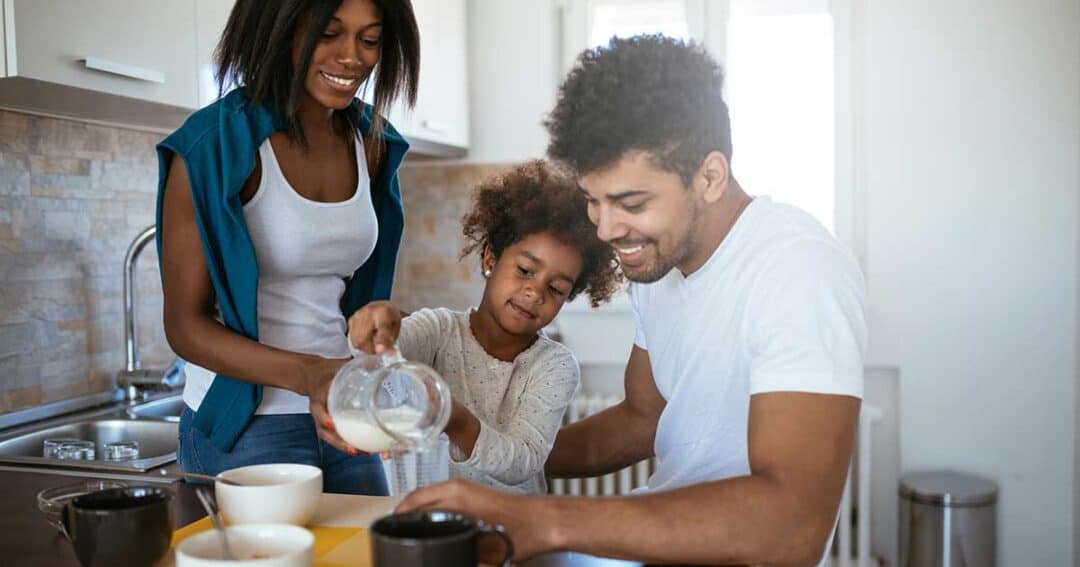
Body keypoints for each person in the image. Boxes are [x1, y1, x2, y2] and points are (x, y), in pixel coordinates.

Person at [396, 34, 867, 565]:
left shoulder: (796, 268)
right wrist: (491, 458)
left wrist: (545, 521)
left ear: (709, 177)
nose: (606, 229)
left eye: (630, 202)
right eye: (594, 202)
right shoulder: (658, 269)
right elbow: (642, 419)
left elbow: (793, 524)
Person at [155, 0, 420, 495]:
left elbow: (352, 297)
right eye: (329, 34)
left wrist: (369, 348)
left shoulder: (373, 143)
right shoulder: (212, 147)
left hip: (341, 412)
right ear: (278, 29)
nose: (352, 58)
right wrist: (311, 375)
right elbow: (184, 326)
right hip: (247, 425)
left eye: (369, 40)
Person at [346, 160, 622, 495]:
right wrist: (376, 324)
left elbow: (523, 461)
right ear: (491, 258)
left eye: (556, 289)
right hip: (434, 522)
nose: (535, 292)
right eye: (524, 270)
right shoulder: (437, 331)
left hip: (515, 530)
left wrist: (451, 416)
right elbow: (374, 354)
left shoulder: (554, 367)